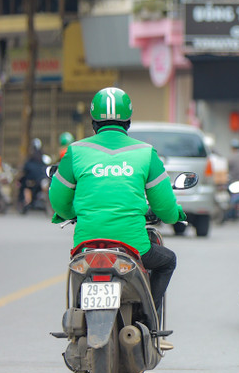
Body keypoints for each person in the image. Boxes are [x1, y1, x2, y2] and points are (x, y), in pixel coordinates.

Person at [49, 87, 185, 350]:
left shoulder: (75, 152)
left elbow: (59, 202)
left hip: (87, 245)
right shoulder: (146, 153)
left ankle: (78, 327)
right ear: (128, 120)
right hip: (133, 247)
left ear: (93, 121)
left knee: (79, 275)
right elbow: (165, 206)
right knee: (167, 261)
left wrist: (69, 214)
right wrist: (175, 215)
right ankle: (149, 321)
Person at [18, 138, 48, 212]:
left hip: (32, 180)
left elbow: (25, 169)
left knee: (26, 186)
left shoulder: (31, 157)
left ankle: (27, 201)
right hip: (41, 178)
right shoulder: (42, 157)